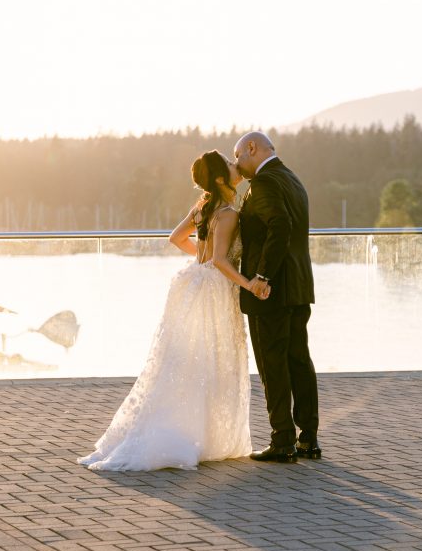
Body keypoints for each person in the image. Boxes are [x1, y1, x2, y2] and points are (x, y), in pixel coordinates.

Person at [77, 150, 270, 471]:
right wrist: (248, 284)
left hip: (193, 283)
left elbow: (175, 238)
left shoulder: (203, 208)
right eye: (231, 165)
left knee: (186, 360)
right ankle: (204, 437)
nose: (237, 167)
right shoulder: (227, 213)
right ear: (222, 178)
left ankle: (188, 431)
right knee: (213, 360)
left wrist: (202, 259)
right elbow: (221, 262)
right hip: (215, 291)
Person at [234, 131, 320, 463]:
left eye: (239, 157)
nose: (239, 166)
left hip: (271, 291)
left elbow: (280, 226)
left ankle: (282, 438)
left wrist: (262, 276)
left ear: (252, 149)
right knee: (299, 360)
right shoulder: (292, 179)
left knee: (273, 364)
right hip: (298, 287)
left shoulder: (266, 183)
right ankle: (308, 438)